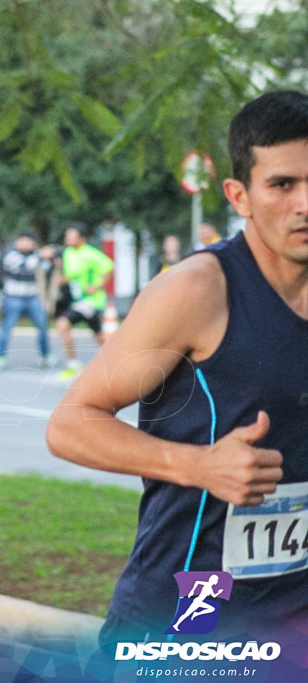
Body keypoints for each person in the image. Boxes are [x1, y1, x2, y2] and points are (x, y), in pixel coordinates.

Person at [46, 90, 308, 645]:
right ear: (239, 195)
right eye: (282, 185)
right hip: (189, 611)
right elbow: (70, 423)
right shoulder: (197, 290)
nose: (304, 204)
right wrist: (200, 466)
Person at [54, 225, 114, 380]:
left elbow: (109, 268)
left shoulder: (91, 254)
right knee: (98, 335)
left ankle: (74, 364)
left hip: (91, 301)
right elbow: (72, 275)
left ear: (81, 238)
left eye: (71, 236)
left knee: (63, 324)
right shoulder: (68, 253)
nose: (68, 239)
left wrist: (97, 286)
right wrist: (62, 280)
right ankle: (113, 362)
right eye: (67, 235)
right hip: (78, 300)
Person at [0, 232, 52, 370]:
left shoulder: (36, 254)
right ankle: (0, 356)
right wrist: (41, 256)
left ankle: (45, 355)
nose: (28, 244)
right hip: (14, 297)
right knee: (7, 327)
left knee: (43, 325)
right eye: (25, 241)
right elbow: (25, 265)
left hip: (33, 297)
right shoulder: (10, 253)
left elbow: (45, 268)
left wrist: (49, 258)